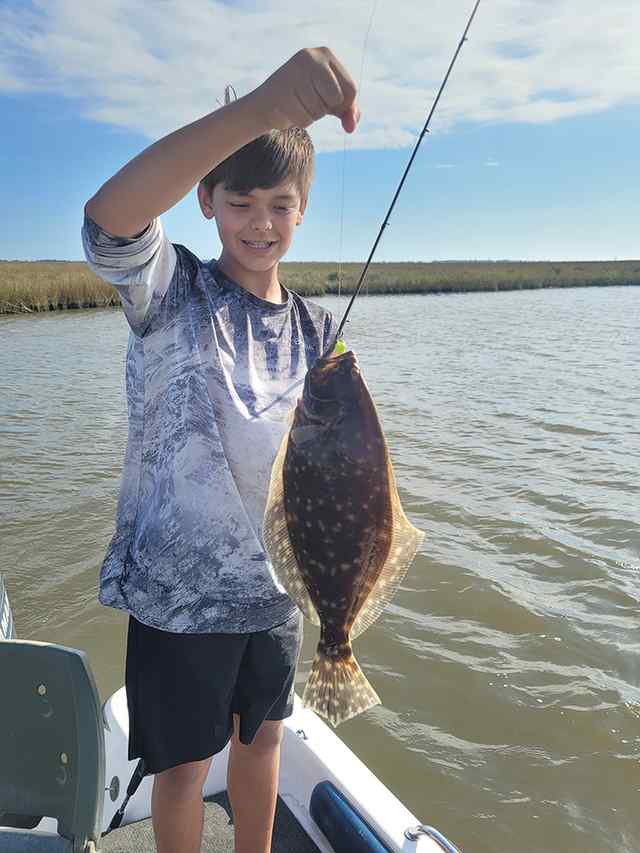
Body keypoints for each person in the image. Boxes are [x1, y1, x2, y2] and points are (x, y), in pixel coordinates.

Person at [82, 48, 359, 853]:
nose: (262, 223)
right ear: (206, 200)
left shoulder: (317, 333)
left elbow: (348, 472)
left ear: (303, 208)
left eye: (280, 203)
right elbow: (109, 223)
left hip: (277, 593)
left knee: (264, 741)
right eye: (241, 201)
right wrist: (259, 109)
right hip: (178, 598)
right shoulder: (175, 295)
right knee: (182, 765)